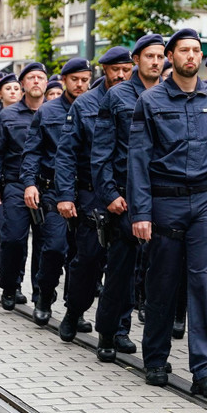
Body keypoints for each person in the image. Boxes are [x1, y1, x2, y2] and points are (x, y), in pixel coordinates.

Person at [128, 28, 207, 398]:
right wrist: (141, 212)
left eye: (196, 51)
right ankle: (157, 358)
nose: (191, 56)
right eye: (184, 51)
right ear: (169, 57)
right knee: (162, 282)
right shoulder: (150, 101)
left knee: (205, 284)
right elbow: (138, 161)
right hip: (166, 201)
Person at [91, 33, 164, 362]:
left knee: (153, 271)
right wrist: (108, 194)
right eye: (149, 56)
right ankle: (109, 331)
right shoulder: (117, 96)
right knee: (120, 270)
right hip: (124, 194)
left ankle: (132, 331)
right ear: (136, 60)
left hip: (161, 195)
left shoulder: (169, 95)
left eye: (160, 56)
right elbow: (101, 150)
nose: (155, 62)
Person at [54, 47, 134, 344]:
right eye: (115, 70)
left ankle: (119, 328)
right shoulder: (86, 104)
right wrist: (64, 195)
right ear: (104, 70)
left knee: (125, 265)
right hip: (92, 196)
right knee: (88, 261)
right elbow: (66, 154)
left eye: (126, 69)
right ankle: (74, 311)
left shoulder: (140, 100)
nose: (121, 75)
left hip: (126, 195)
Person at [20, 62, 89, 318]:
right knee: (54, 248)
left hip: (84, 191)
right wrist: (29, 183)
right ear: (64, 80)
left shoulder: (96, 108)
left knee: (81, 254)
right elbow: (32, 151)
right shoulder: (47, 112)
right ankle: (44, 294)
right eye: (74, 79)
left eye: (84, 79)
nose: (79, 85)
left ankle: (75, 308)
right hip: (52, 189)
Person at [0, 72, 42, 310]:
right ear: (23, 85)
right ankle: (10, 285)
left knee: (47, 245)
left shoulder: (54, 112)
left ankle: (42, 295)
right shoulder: (7, 115)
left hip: (46, 186)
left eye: (41, 77)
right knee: (13, 239)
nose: (36, 81)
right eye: (31, 78)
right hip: (15, 184)